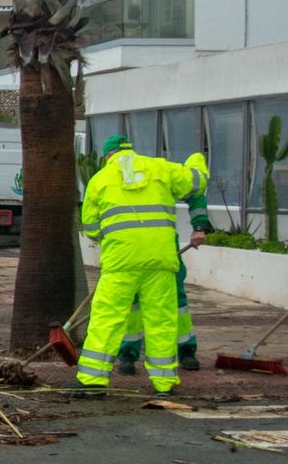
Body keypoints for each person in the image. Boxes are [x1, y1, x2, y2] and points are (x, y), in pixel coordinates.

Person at [76, 136, 210, 397]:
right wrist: (197, 160)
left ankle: (93, 381)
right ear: (131, 151)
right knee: (161, 320)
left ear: (107, 156)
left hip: (120, 263)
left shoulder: (99, 180)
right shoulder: (160, 168)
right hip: (160, 260)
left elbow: (90, 227)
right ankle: (164, 384)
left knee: (107, 319)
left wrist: (114, 236)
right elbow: (196, 182)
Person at [117, 187, 210, 375]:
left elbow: (194, 192)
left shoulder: (160, 174)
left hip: (162, 249)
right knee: (132, 304)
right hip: (128, 251)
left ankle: (185, 350)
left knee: (175, 301)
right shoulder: (110, 179)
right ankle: (127, 354)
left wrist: (199, 226)